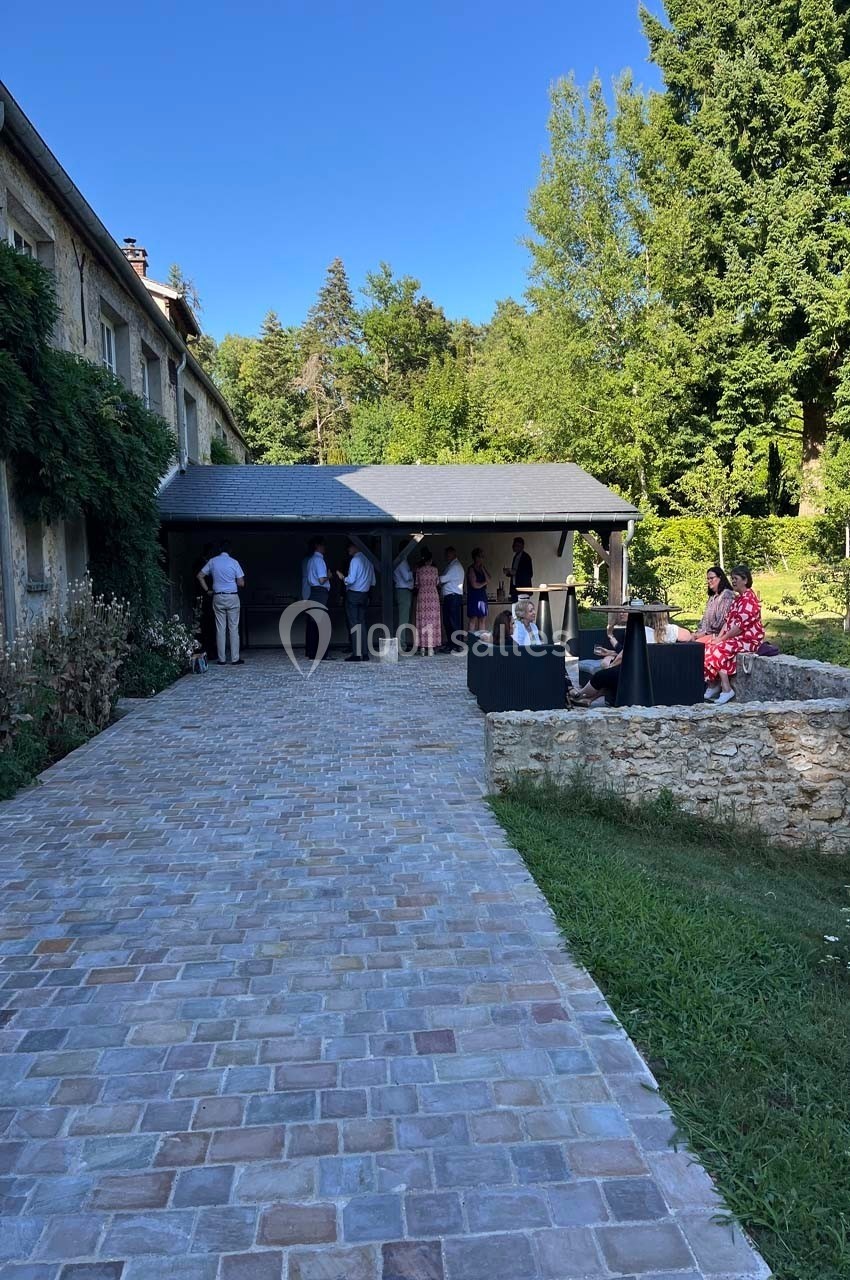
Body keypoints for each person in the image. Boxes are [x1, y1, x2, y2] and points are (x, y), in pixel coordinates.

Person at [704, 564, 764, 704]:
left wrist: (722, 639)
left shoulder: (749, 600)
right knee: (709, 647)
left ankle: (726, 689)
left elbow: (739, 627)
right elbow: (728, 621)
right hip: (735, 638)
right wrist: (719, 638)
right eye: (732, 579)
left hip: (748, 639)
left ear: (745, 580)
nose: (733, 581)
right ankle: (713, 684)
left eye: (736, 578)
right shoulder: (739, 599)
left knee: (719, 649)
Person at [197, 542, 245, 666]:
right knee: (233, 628)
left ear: (219, 549)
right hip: (232, 597)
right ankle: (235, 658)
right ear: (230, 550)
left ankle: (222, 659)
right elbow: (241, 583)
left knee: (220, 628)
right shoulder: (234, 562)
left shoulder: (213, 561)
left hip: (217, 596)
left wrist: (207, 590)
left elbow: (200, 576)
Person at [336, 540, 376, 662]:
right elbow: (373, 581)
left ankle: (356, 654)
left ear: (355, 546)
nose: (348, 549)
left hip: (354, 594)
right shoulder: (369, 560)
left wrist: (342, 577)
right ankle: (365, 653)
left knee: (353, 624)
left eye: (349, 547)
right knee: (362, 623)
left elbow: (351, 579)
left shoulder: (355, 560)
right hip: (365, 594)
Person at [690, 567, 735, 644]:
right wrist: (696, 633)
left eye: (711, 578)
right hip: (705, 634)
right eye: (708, 579)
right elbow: (704, 620)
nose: (709, 581)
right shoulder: (712, 597)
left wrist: (702, 634)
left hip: (718, 636)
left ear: (720, 578)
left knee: (692, 646)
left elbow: (721, 623)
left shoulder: (727, 595)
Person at [304, 535, 331, 661]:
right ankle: (322, 653)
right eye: (323, 545)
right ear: (318, 546)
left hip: (313, 592)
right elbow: (321, 580)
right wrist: (329, 576)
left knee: (312, 624)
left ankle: (311, 651)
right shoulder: (319, 560)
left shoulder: (310, 560)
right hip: (320, 592)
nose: (325, 547)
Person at [414, 548, 441, 656]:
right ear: (431, 560)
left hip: (422, 596)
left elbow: (416, 584)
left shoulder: (419, 570)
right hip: (433, 596)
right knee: (432, 621)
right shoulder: (435, 570)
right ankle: (431, 648)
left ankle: (422, 648)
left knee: (422, 621)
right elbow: (437, 583)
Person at [438, 546, 465, 652]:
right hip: (451, 597)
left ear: (453, 554)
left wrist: (433, 577)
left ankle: (456, 645)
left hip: (453, 597)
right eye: (446, 555)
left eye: (448, 554)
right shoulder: (452, 565)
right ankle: (452, 644)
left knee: (452, 622)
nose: (446, 556)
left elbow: (443, 579)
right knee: (449, 622)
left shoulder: (455, 567)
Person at [192, 542, 216, 660]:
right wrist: (207, 590)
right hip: (204, 597)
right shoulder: (203, 563)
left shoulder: (207, 563)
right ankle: (205, 650)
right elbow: (199, 577)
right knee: (205, 625)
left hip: (206, 597)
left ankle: (209, 650)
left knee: (208, 625)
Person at [394, 542, 415, 649]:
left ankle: (402, 643)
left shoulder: (402, 561)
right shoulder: (401, 561)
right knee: (403, 619)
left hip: (403, 591)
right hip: (403, 591)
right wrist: (413, 571)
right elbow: (407, 577)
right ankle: (401, 645)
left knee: (404, 618)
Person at [466, 549, 490, 633]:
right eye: (479, 557)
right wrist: (484, 583)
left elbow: (489, 579)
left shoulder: (482, 568)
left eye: (482, 557)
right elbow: (474, 585)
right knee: (473, 618)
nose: (481, 559)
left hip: (482, 595)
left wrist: (482, 568)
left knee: (482, 618)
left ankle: (481, 639)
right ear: (475, 557)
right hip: (474, 596)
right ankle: (471, 639)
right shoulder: (471, 569)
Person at [504, 537, 533, 602]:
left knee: (523, 607)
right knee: (515, 607)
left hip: (523, 590)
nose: (513, 547)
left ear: (521, 546)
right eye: (514, 545)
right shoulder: (515, 557)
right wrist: (508, 572)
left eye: (516, 545)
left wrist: (514, 572)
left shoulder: (526, 557)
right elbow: (515, 573)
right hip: (514, 589)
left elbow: (529, 574)